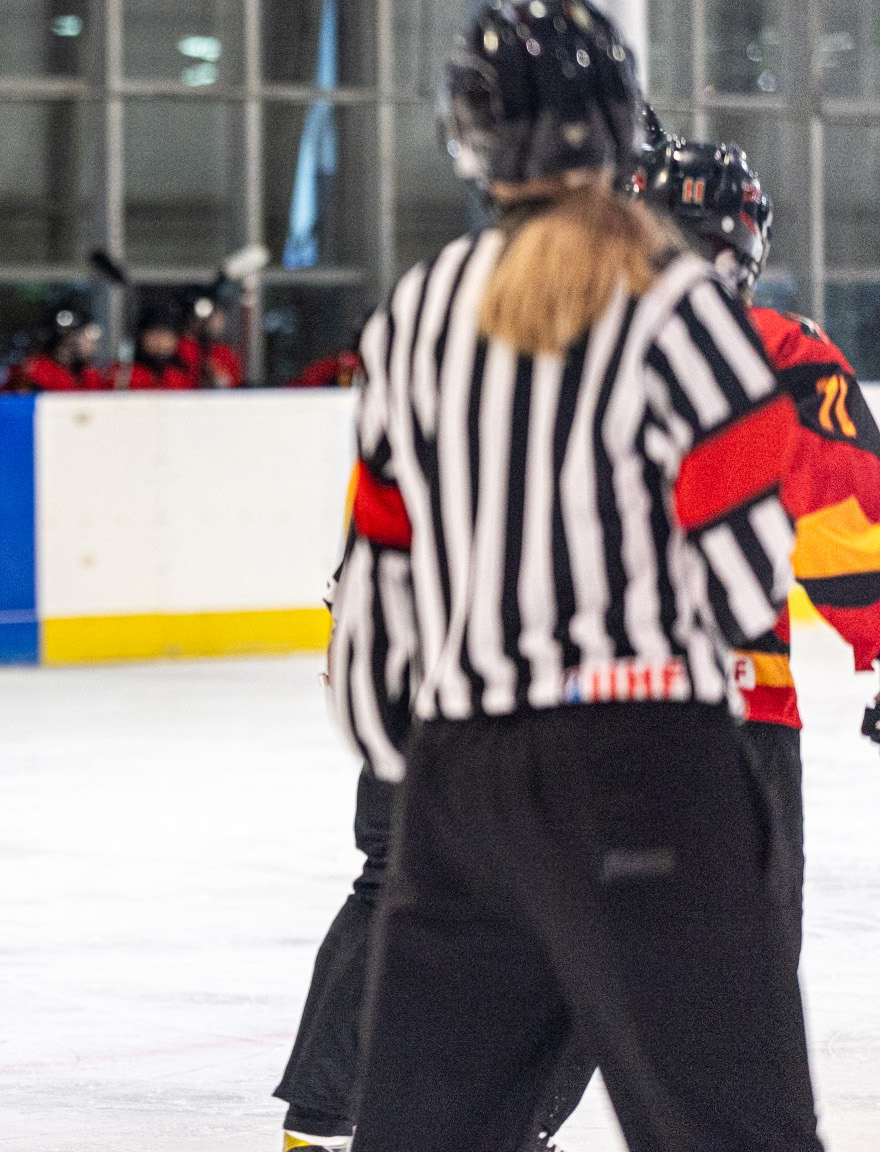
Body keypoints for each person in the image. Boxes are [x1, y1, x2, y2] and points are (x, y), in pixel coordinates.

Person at [328, 5, 822, 1151]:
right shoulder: (681, 304)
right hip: (646, 762)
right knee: (728, 1122)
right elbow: (747, 566)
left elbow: (376, 582)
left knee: (430, 1131)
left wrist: (429, 764)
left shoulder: (414, 313)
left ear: (468, 130)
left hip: (459, 779)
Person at [0, 300, 104, 391]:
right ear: (67, 337)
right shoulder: (36, 371)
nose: (92, 343)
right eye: (86, 335)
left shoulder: (89, 374)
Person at [115, 304, 196, 389]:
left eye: (166, 337)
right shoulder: (125, 374)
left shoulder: (182, 376)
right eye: (154, 336)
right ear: (142, 338)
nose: (160, 343)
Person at [178, 292, 244, 387]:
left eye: (217, 315)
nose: (215, 320)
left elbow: (234, 386)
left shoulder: (224, 352)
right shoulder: (180, 349)